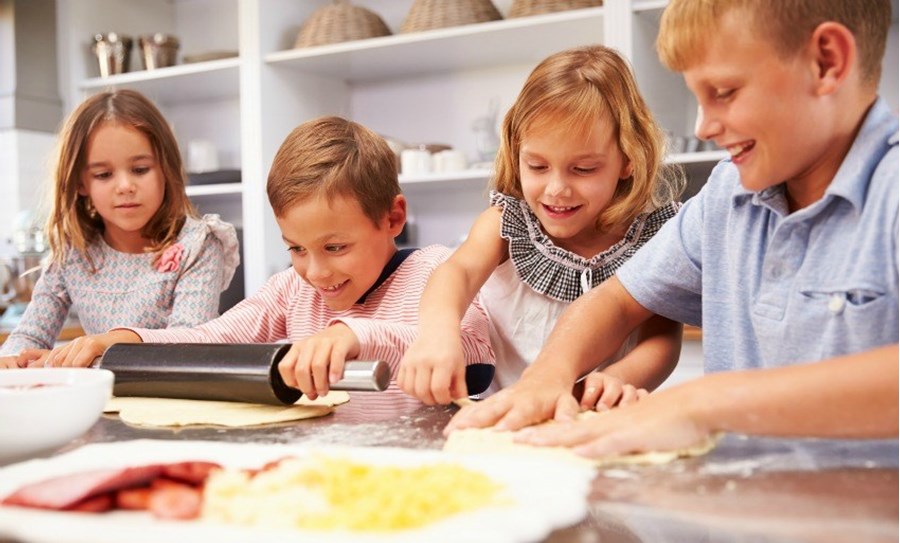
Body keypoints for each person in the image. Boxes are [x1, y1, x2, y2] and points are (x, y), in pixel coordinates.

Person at [448, 0, 899, 456]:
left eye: (724, 91)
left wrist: (701, 404)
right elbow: (617, 303)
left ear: (827, 61)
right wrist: (546, 377)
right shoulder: (727, 192)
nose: (703, 126)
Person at [42, 116, 495, 418]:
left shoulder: (436, 273)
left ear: (393, 218)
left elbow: (478, 355)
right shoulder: (289, 292)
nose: (315, 272)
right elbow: (210, 338)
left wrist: (356, 333)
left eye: (335, 247)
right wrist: (123, 340)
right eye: (296, 249)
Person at [399, 45, 686, 406]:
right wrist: (437, 334)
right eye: (537, 166)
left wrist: (612, 382)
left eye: (583, 169)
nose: (556, 190)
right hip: (496, 419)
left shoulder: (655, 239)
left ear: (629, 159)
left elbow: (661, 341)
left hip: (589, 417)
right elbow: (456, 273)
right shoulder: (507, 224)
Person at [0, 89, 239, 368]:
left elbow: (184, 350)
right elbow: (29, 335)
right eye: (103, 175)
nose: (125, 186)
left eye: (140, 169)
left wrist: (67, 361)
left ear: (166, 169)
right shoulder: (73, 252)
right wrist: (11, 360)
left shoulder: (198, 246)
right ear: (81, 183)